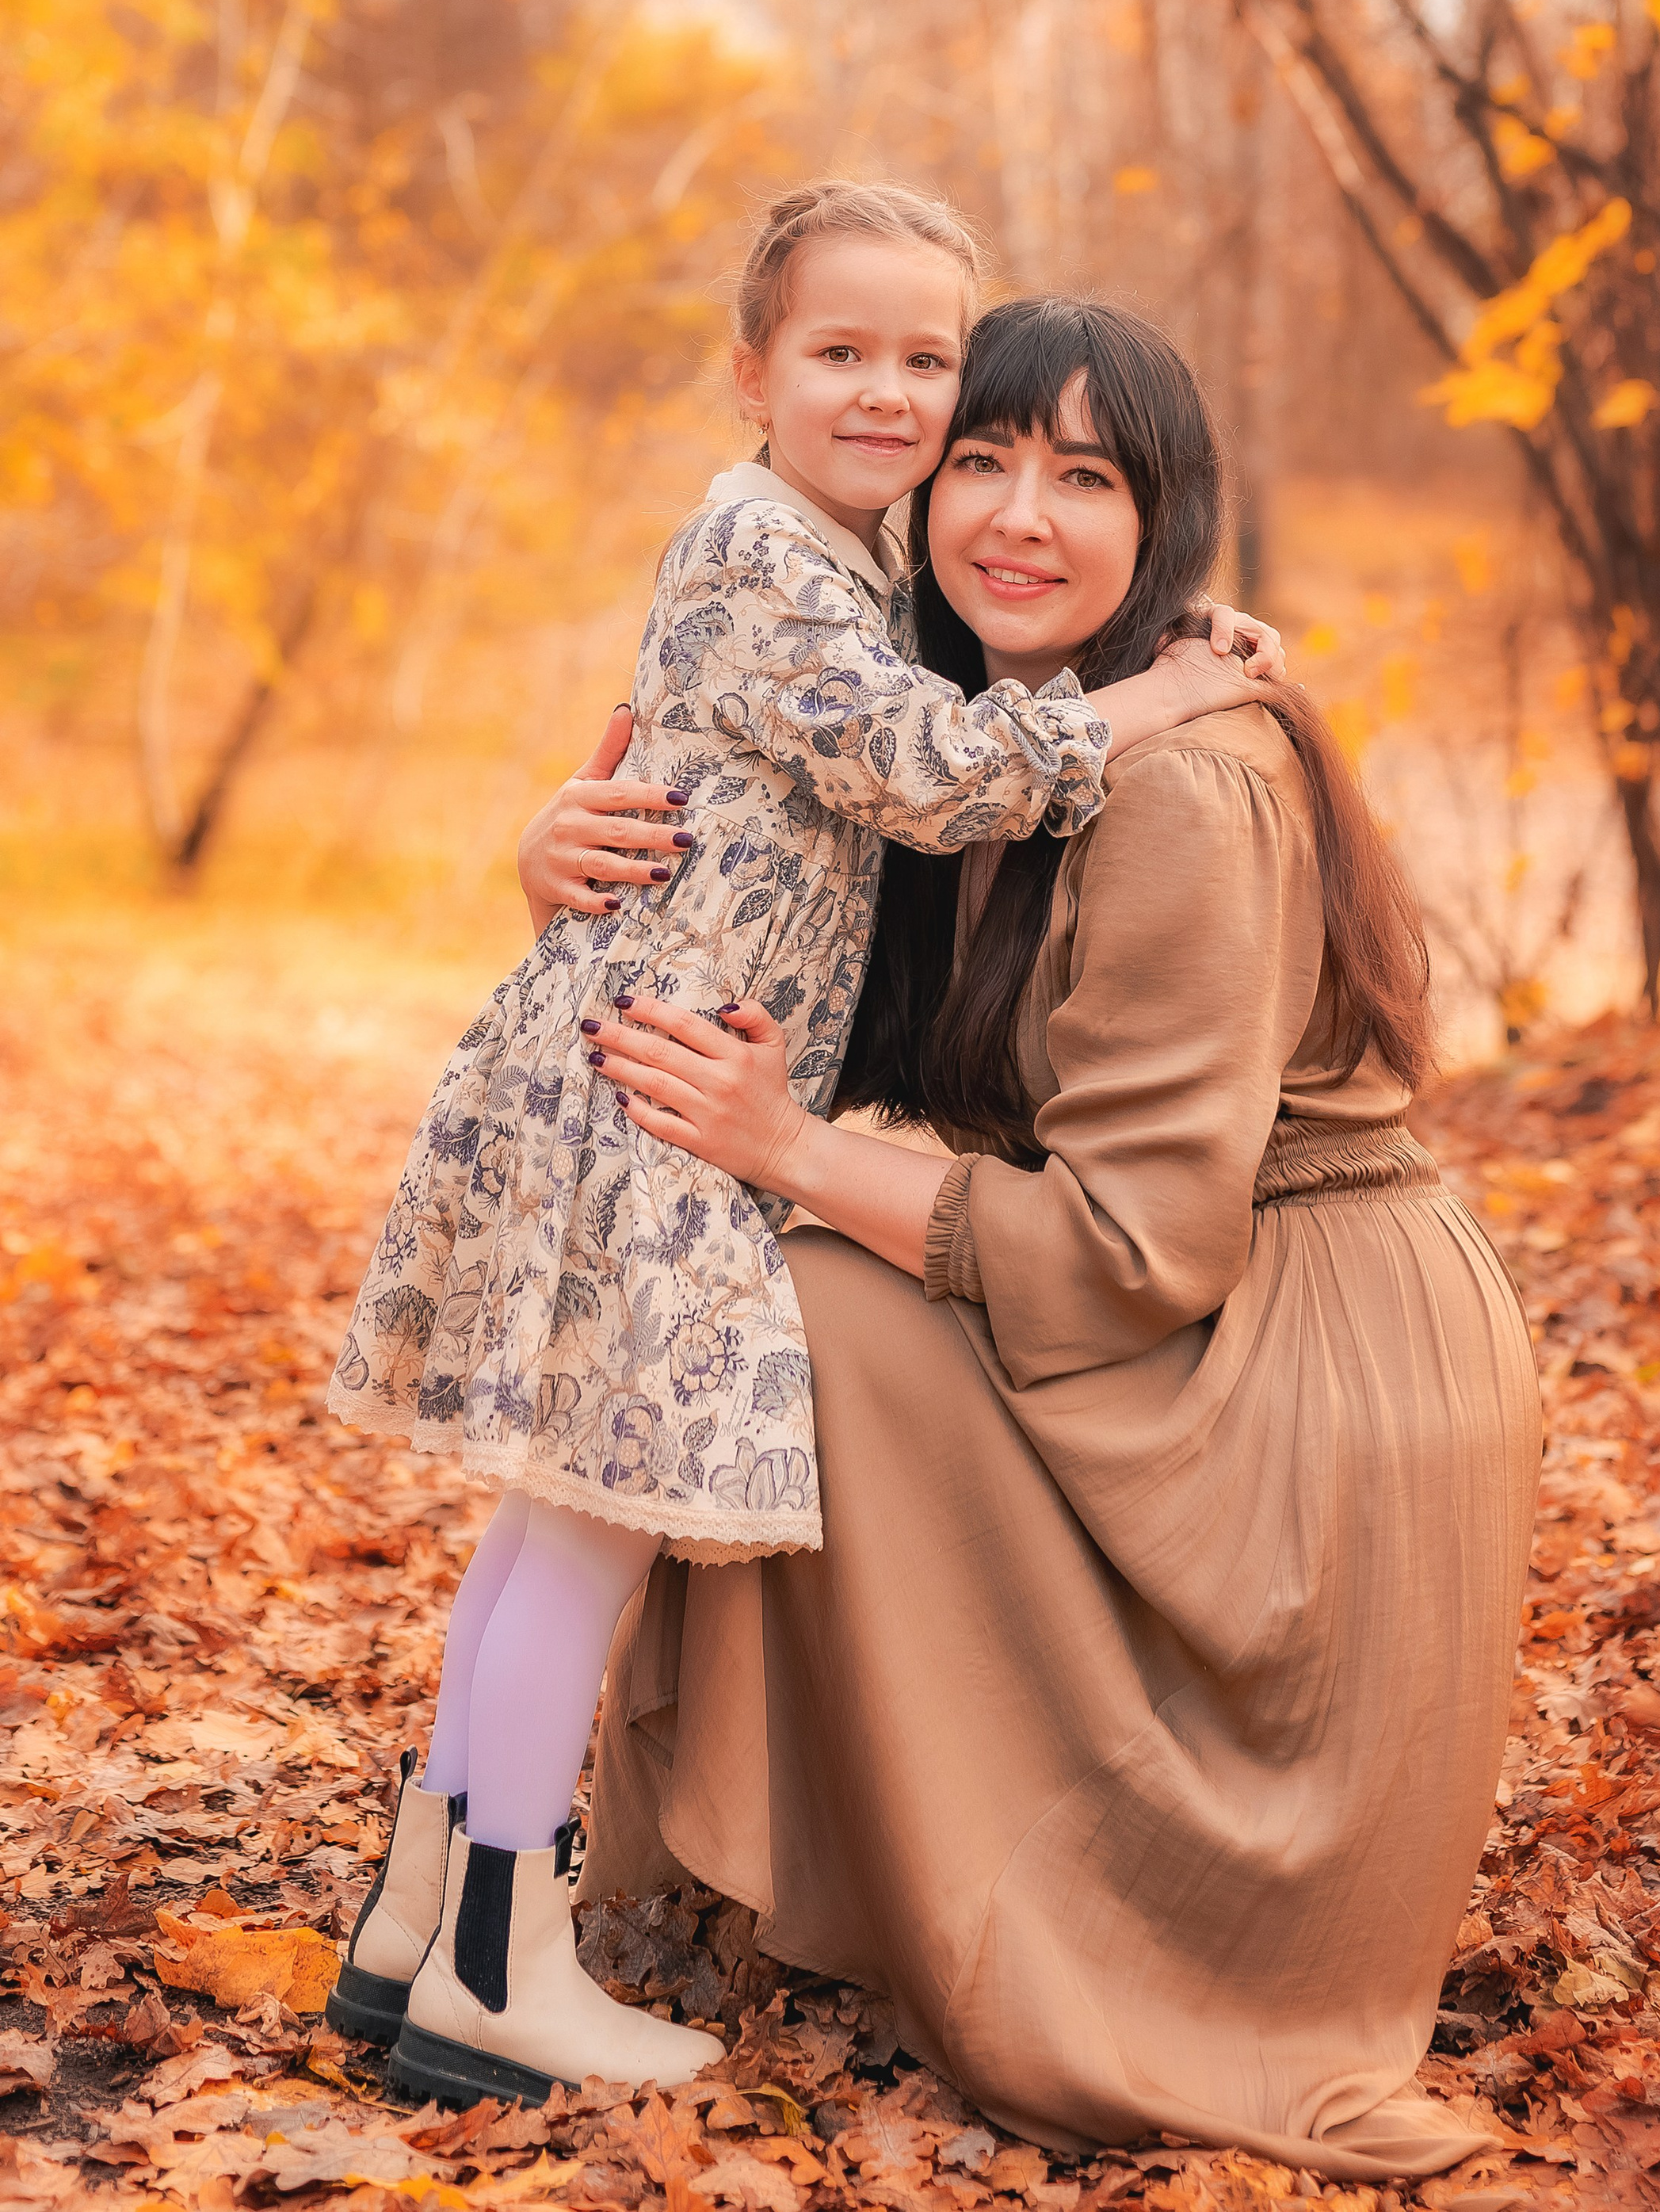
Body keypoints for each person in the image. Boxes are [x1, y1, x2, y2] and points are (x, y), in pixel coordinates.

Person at [322, 189, 1278, 2108]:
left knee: (542, 1528)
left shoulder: (830, 567)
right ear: (749, 374)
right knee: (584, 1534)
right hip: (658, 1107)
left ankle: (424, 1924)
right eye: (841, 353)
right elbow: (927, 776)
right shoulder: (774, 559)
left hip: (640, 1076)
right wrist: (1151, 695)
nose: (891, 393)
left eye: (927, 359)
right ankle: (501, 1963)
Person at [575, 297, 1541, 2185]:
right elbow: (744, 970)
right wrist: (558, 854)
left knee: (813, 1310)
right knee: (752, 1278)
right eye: (982, 463)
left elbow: (1127, 1249)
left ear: (1160, 517)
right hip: (1201, 1310)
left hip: (1298, 1373)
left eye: (1084, 478)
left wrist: (786, 1151)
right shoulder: (982, 754)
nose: (1019, 515)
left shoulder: (1183, 776)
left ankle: (964, 1896)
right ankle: (624, 1882)